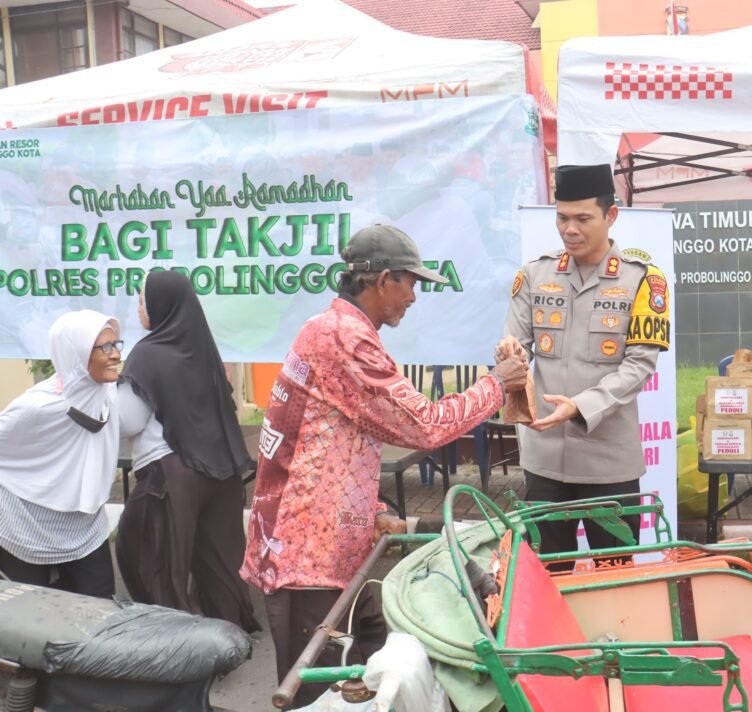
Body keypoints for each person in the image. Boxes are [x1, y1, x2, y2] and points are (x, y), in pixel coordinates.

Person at [240, 224, 527, 709]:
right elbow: (425, 425)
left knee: (372, 672)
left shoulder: (330, 328)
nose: (414, 296)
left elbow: (328, 442)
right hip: (309, 561)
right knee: (319, 698)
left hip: (331, 547)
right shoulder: (346, 339)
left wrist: (370, 511)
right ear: (383, 280)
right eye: (411, 283)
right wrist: (496, 384)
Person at [496, 163, 670, 559]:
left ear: (611, 215)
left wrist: (579, 407)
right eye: (562, 218)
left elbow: (639, 366)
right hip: (544, 461)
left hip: (609, 466)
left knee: (614, 577)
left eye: (582, 218)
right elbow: (516, 345)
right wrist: (509, 354)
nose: (569, 229)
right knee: (546, 575)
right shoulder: (535, 275)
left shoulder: (642, 281)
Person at [114, 271, 260, 632]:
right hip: (222, 472)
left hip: (171, 476)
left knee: (155, 557)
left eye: (142, 300)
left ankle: (178, 641)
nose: (138, 307)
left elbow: (128, 421)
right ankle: (230, 632)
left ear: (159, 305)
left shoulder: (147, 354)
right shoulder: (203, 349)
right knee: (219, 561)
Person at [0, 310, 122, 597]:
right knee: (35, 610)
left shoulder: (107, 393)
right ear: (76, 353)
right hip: (27, 524)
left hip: (84, 527)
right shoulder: (38, 407)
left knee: (100, 605)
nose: (116, 354)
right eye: (105, 347)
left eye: (116, 344)